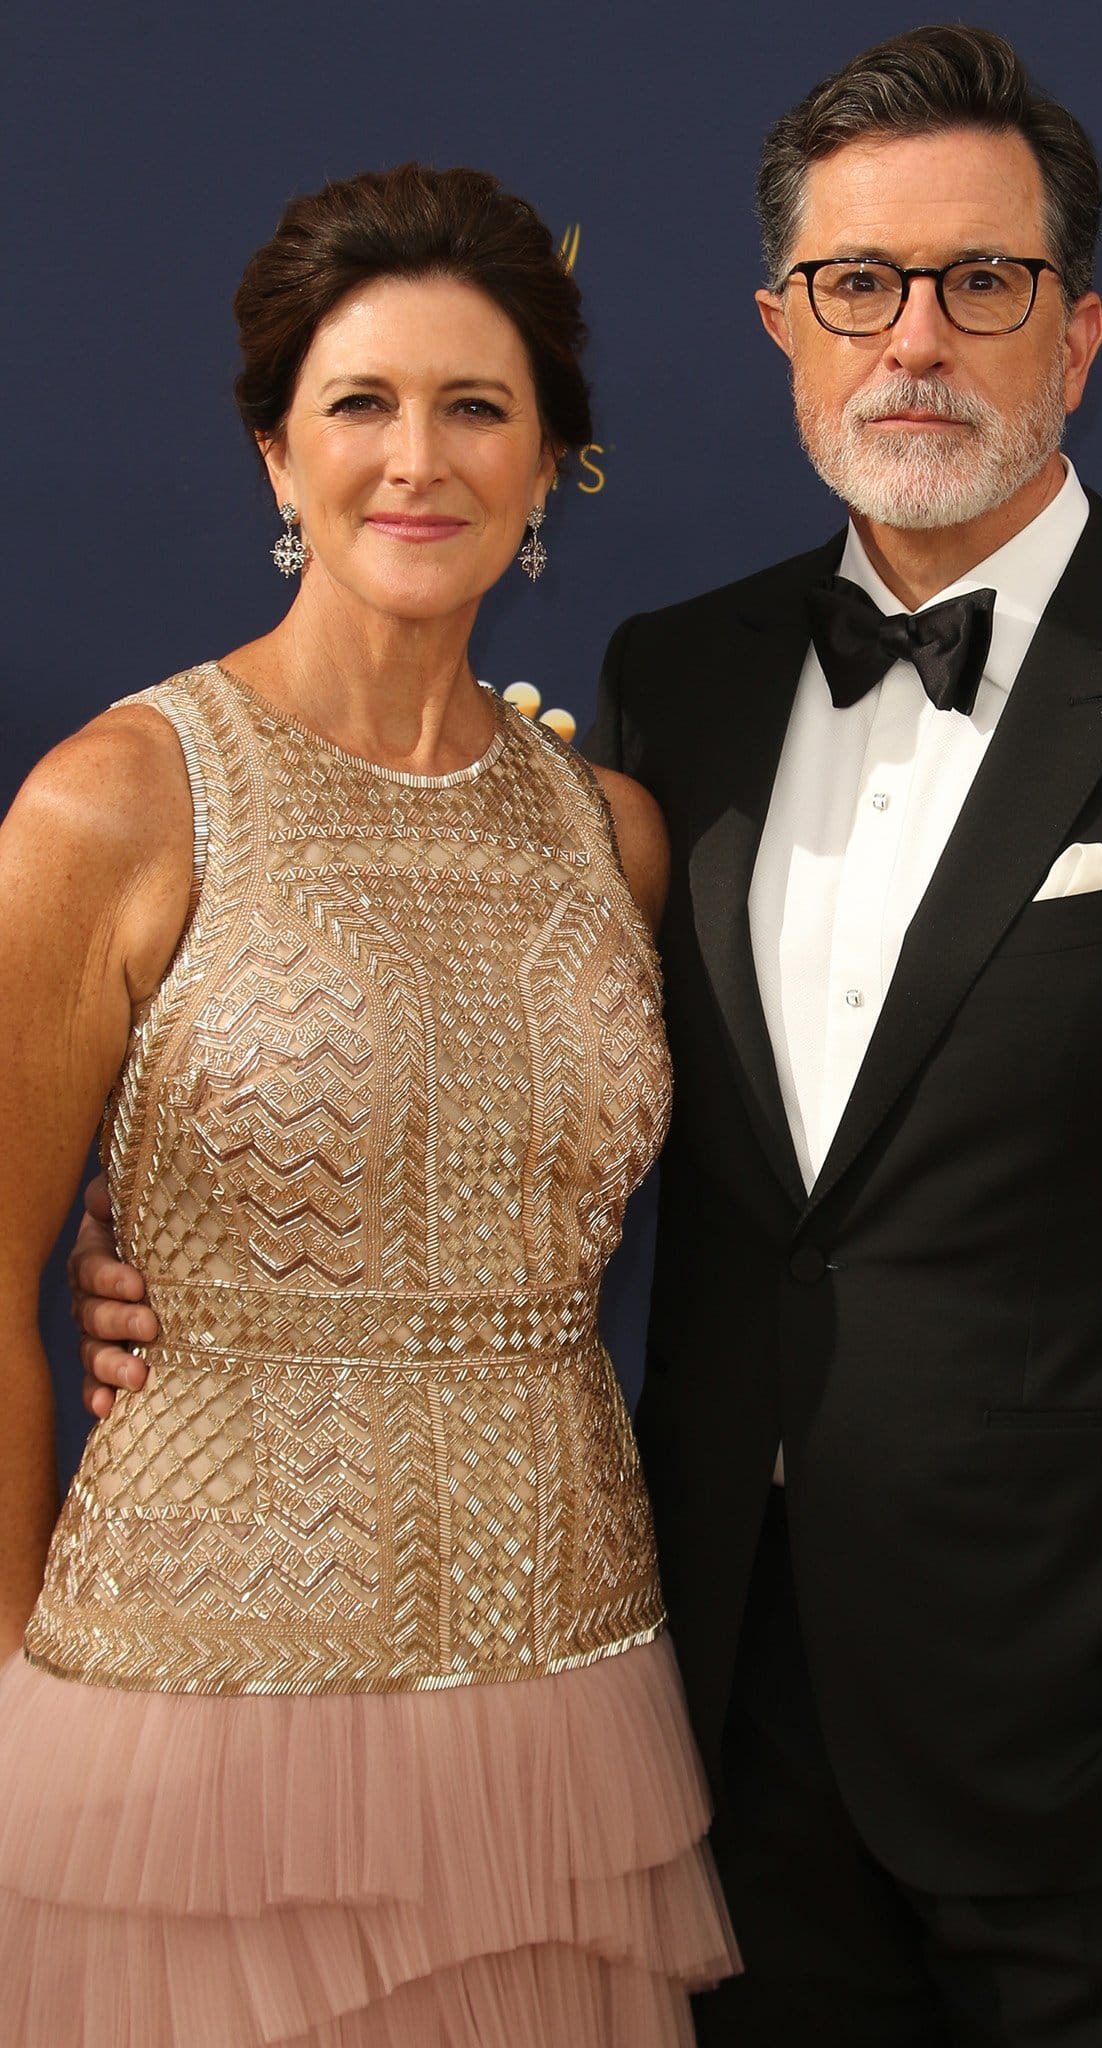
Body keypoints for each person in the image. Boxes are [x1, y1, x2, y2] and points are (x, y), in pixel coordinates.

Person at [71, 26, 1102, 2048]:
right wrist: (211, 1260)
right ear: (782, 326)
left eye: (980, 283)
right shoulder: (675, 689)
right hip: (703, 1742)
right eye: (856, 286)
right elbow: (523, 1091)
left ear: (1078, 337)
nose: (915, 340)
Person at [1, 161, 736, 2045]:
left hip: (562, 1687)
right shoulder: (116, 802)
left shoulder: (614, 837)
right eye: (361, 403)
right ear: (274, 455)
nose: (419, 459)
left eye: (477, 406)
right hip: (189, 1715)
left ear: (550, 460)